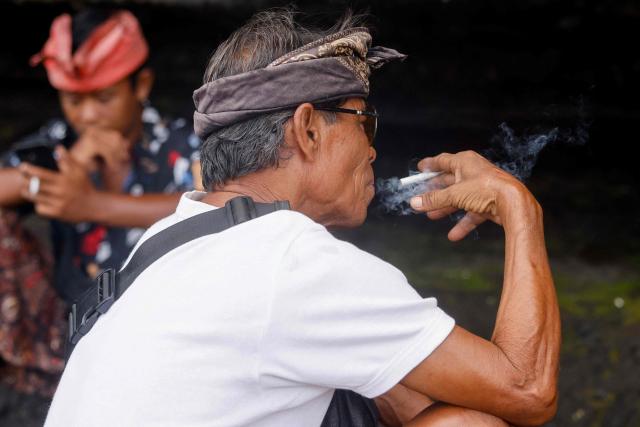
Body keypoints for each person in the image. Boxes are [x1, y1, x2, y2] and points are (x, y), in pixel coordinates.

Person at [45, 9, 560, 427]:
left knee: (394, 383)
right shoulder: (294, 262)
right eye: (366, 121)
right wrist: (520, 209)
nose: (374, 152)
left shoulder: (171, 236)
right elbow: (527, 389)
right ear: (308, 130)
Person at [0, 8, 200, 395]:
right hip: (70, 324)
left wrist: (91, 205)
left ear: (141, 85)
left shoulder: (181, 142)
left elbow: (220, 206)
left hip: (164, 334)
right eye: (73, 100)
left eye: (104, 98)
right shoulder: (60, 142)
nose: (88, 115)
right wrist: (61, 175)